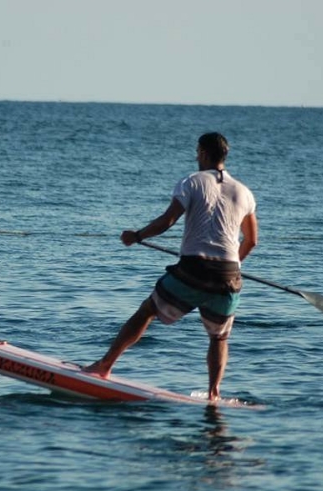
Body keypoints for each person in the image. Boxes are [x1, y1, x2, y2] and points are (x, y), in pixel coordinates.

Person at [83, 132, 258, 401]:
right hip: (229, 275)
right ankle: (213, 393)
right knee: (219, 337)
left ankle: (104, 366)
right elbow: (251, 240)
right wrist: (232, 266)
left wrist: (137, 236)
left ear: (203, 153)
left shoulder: (192, 182)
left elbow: (167, 221)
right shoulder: (244, 192)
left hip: (193, 269)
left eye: (197, 151)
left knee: (147, 311)